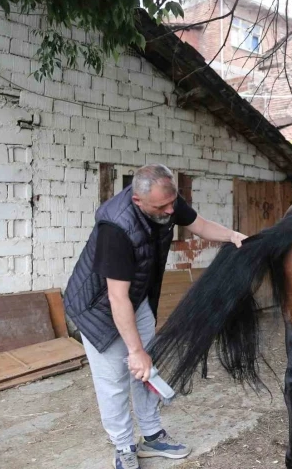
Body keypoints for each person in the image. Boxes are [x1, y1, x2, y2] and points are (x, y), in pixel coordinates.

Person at [63, 164, 247, 469]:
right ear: (138, 201)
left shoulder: (166, 200)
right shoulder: (116, 228)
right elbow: (116, 297)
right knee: (115, 380)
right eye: (162, 207)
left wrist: (231, 236)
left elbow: (198, 223)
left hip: (135, 299)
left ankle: (151, 435)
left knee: (149, 368)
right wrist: (134, 351)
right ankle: (123, 447)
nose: (170, 210)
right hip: (97, 307)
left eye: (172, 203)